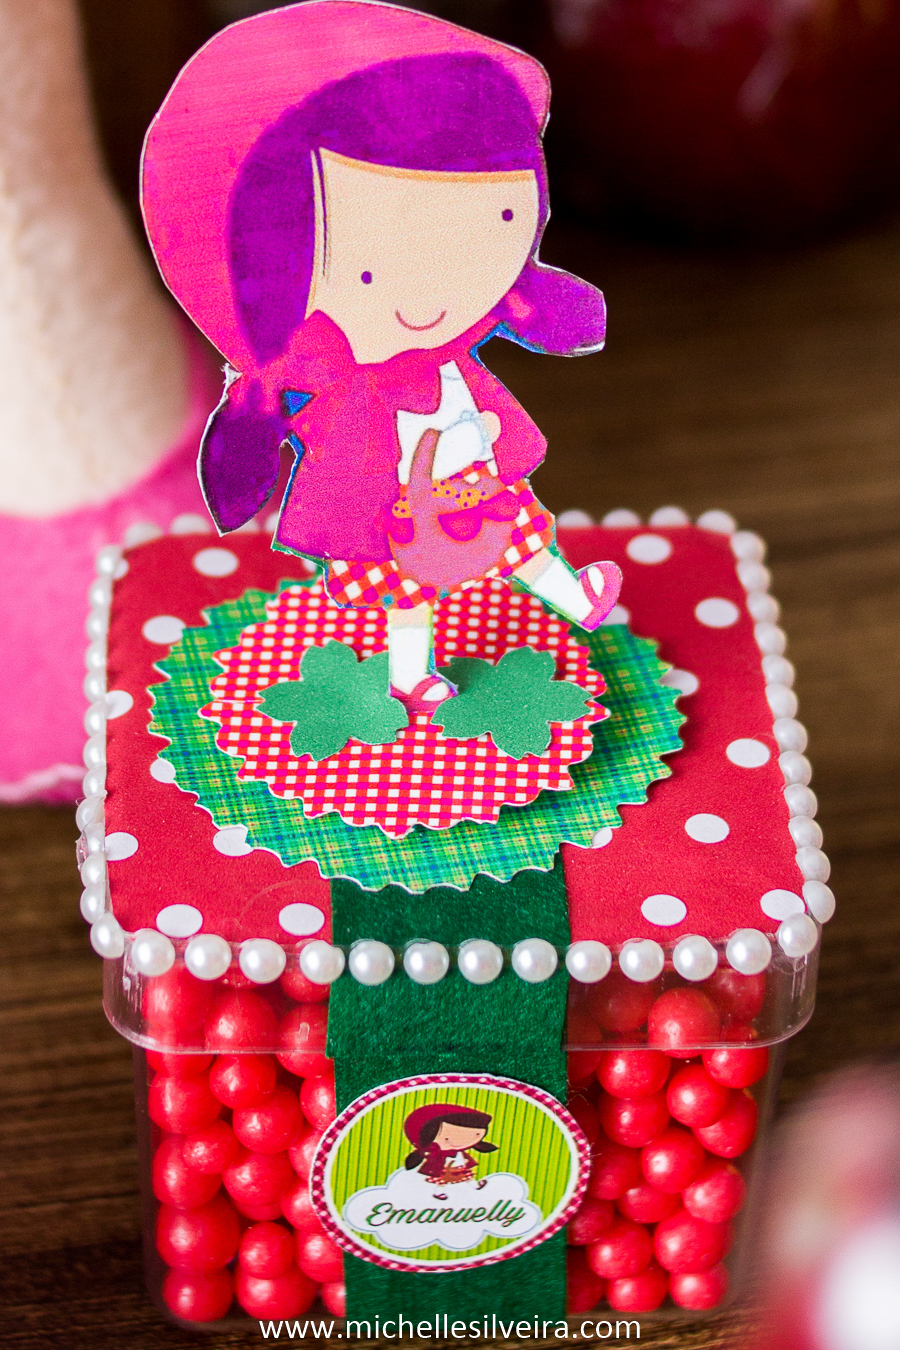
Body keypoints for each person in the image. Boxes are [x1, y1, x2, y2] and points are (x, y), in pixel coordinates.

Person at [142, 1, 623, 714]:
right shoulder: (340, 394)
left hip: (468, 484)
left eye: (495, 229)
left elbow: (476, 412)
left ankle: (572, 594)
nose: (433, 296)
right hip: (394, 508)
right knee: (407, 593)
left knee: (519, 531)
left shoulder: (452, 363)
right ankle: (409, 676)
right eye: (367, 271)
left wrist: (480, 437)